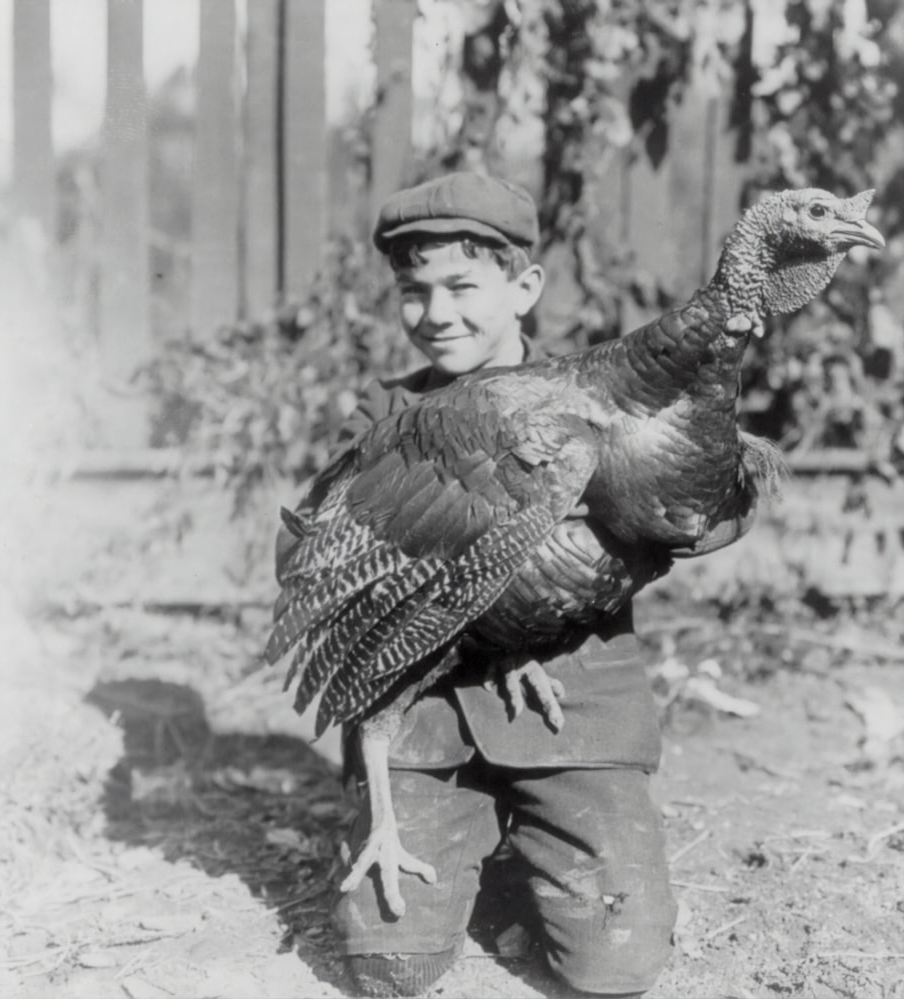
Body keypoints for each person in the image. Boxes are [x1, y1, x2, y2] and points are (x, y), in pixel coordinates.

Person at [279, 172, 678, 997]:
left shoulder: (591, 402)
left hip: (571, 707)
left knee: (617, 962)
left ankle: (538, 840)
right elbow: (325, 565)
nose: (437, 312)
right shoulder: (384, 419)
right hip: (423, 713)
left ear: (524, 288)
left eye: (463, 286)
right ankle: (468, 838)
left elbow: (678, 502)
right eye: (413, 290)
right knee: (389, 966)